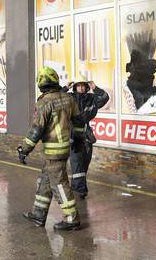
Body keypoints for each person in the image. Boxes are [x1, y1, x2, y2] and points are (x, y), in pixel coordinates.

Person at [18, 67, 81, 231]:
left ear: (41, 84)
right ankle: (38, 214)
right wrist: (80, 138)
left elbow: (36, 130)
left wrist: (24, 150)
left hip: (53, 152)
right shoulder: (68, 99)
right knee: (46, 181)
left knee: (59, 184)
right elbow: (79, 121)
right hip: (63, 149)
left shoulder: (44, 103)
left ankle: (71, 218)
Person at [64, 75, 109, 199]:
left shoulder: (91, 98)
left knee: (84, 164)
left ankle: (75, 186)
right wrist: (65, 88)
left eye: (84, 85)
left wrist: (96, 88)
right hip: (74, 137)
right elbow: (55, 99)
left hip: (86, 137)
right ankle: (81, 190)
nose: (81, 88)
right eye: (79, 85)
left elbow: (105, 98)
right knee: (77, 163)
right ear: (75, 87)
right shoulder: (69, 98)